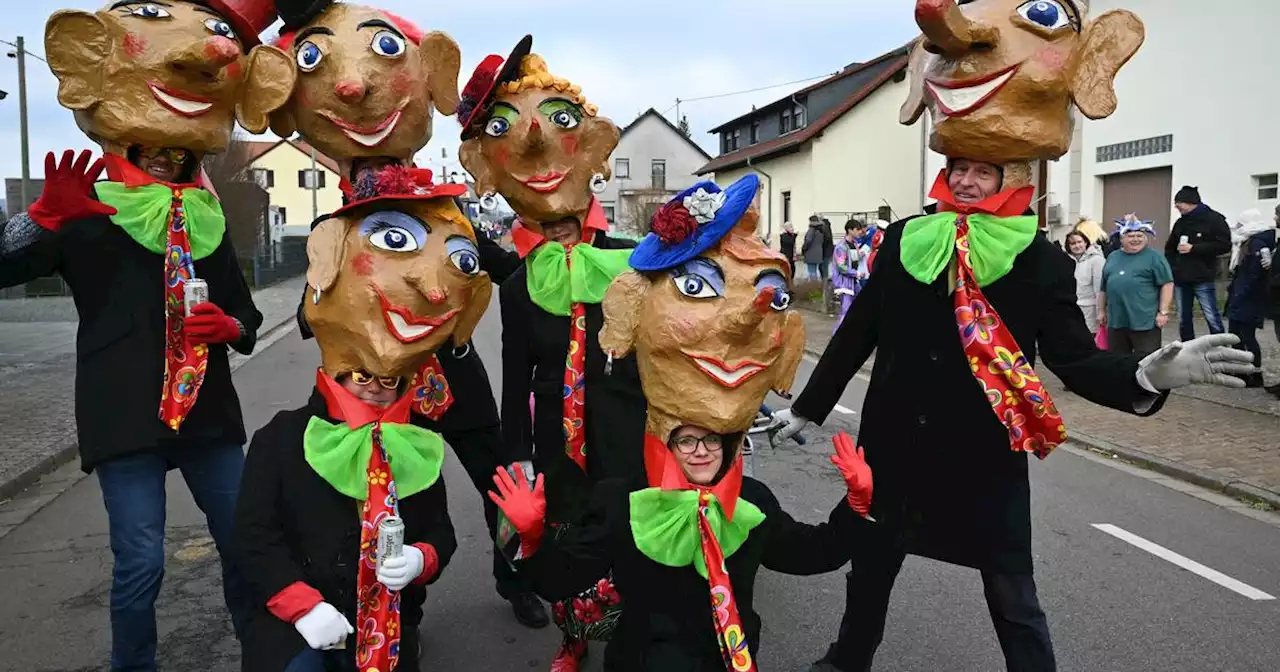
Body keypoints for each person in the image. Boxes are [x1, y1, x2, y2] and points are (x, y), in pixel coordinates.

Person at [776, 3, 1256, 670]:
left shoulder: (1040, 261)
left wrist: (1148, 374)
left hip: (982, 459)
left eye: (983, 171)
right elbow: (859, 331)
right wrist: (808, 406)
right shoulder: (905, 240)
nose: (968, 181)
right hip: (895, 447)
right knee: (871, 575)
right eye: (960, 169)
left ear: (1013, 176)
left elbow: (1073, 360)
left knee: (1012, 596)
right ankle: (844, 661)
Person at [0, 2, 293, 669]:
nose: (166, 165)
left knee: (245, 543)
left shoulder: (209, 219)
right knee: (141, 562)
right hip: (123, 416)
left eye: (176, 159)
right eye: (154, 157)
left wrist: (232, 327)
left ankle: (265, 656)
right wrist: (41, 219)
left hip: (209, 418)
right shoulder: (87, 206)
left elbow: (246, 317)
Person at [490, 174, 875, 671]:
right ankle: (576, 639)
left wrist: (858, 504)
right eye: (687, 439)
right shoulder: (624, 500)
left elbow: (817, 552)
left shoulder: (752, 506)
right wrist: (529, 537)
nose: (699, 450)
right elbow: (560, 578)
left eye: (712, 441)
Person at [270, 0, 548, 627]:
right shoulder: (332, 225)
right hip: (382, 392)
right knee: (392, 501)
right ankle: (397, 598)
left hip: (457, 377)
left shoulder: (448, 214)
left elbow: (507, 273)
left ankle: (516, 579)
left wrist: (560, 255)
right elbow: (311, 316)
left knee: (501, 486)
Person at [235, 171, 481, 672]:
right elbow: (253, 540)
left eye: (388, 381)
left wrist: (420, 560)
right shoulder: (281, 439)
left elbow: (442, 532)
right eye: (359, 375)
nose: (373, 386)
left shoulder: (415, 442)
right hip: (298, 629)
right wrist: (304, 607)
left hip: (390, 627)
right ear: (335, 373)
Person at [458, 36, 647, 671]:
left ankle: (631, 631)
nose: (559, 233)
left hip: (623, 422)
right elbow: (516, 374)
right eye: (548, 228)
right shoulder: (518, 284)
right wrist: (515, 454)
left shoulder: (630, 259)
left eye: (568, 226)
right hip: (554, 435)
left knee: (622, 527)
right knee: (564, 534)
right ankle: (572, 637)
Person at [1098, 218, 1174, 357]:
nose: (1135, 239)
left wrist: (1163, 312)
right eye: (1130, 236)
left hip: (1145, 321)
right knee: (1117, 359)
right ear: (1121, 239)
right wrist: (1101, 311)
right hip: (1116, 321)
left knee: (1147, 361)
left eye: (1139, 236)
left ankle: (1143, 380)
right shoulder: (1113, 257)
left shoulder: (1154, 257)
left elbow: (1167, 284)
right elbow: (1104, 287)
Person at [1167, 185, 1231, 341]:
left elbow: (1224, 245)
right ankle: (1188, 347)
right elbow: (1169, 248)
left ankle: (1220, 346)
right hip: (1181, 278)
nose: (1176, 207)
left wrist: (1194, 248)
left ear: (1190, 202)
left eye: (1178, 203)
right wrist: (1172, 268)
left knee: (1211, 315)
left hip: (1203, 276)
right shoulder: (1180, 223)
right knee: (1183, 317)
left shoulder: (1215, 219)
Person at [1225, 208, 1276, 388]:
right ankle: (1242, 371)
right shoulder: (1249, 241)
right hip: (1243, 295)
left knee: (1245, 336)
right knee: (1237, 336)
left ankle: (1253, 373)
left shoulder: (1256, 243)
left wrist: (1239, 294)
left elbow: (1254, 274)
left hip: (1247, 298)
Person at [1065, 230, 1106, 334]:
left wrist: (1100, 312)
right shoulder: (1066, 260)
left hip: (1090, 312)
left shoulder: (1096, 260)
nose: (1077, 246)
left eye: (1079, 242)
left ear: (1086, 242)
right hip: (1071, 310)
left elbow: (1099, 289)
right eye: (1073, 243)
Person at [832, 219, 867, 332]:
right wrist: (856, 273)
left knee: (862, 303)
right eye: (857, 230)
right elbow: (841, 267)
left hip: (853, 281)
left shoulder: (854, 244)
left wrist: (860, 254)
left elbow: (853, 260)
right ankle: (837, 335)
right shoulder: (841, 247)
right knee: (845, 310)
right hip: (844, 283)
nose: (859, 232)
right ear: (850, 230)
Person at [802, 215, 826, 282]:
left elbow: (808, 240)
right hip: (818, 252)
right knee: (814, 271)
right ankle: (815, 285)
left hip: (811, 253)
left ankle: (813, 287)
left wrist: (803, 249)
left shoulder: (812, 229)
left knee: (811, 272)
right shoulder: (821, 229)